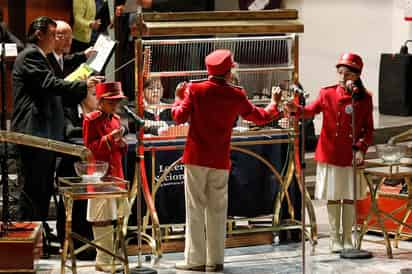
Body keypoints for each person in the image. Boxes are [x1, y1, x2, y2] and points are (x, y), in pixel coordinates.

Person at [172, 49, 281, 271]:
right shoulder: (236, 94)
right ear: (229, 71)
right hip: (220, 159)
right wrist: (273, 103)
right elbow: (259, 117)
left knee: (195, 209)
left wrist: (178, 98)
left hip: (195, 157)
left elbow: (178, 117)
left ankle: (195, 260)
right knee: (218, 210)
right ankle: (215, 260)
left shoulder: (195, 89)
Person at [11, 16, 102, 245]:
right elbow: (51, 84)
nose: (56, 39)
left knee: (41, 189)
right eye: (53, 34)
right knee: (32, 191)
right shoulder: (31, 55)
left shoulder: (42, 56)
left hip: (45, 133)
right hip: (34, 133)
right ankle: (27, 241)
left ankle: (39, 237)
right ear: (40, 34)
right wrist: (84, 85)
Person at [286, 53, 374, 253]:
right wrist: (295, 109)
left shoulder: (364, 97)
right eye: (340, 71)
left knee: (350, 197)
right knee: (334, 196)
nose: (342, 76)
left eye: (347, 72)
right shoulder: (327, 93)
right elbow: (310, 111)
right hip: (331, 153)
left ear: (357, 75)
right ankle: (335, 239)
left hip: (351, 156)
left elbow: (368, 130)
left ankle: (348, 238)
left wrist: (361, 148)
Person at [83, 81, 128, 272]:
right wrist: (111, 138)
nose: (115, 105)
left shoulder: (116, 119)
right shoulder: (91, 120)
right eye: (111, 101)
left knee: (117, 216)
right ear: (101, 101)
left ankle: (114, 256)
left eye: (116, 101)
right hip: (99, 175)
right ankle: (103, 259)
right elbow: (90, 149)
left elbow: (119, 150)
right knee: (101, 217)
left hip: (116, 173)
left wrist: (121, 142)